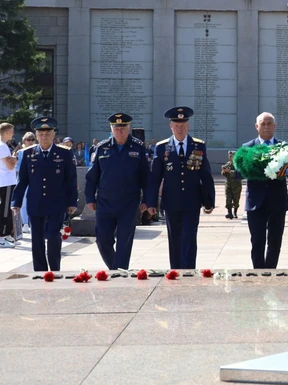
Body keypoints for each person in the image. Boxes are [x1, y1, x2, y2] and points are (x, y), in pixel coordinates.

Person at [146, 106, 216, 269]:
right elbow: (155, 177)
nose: (179, 128)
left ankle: (189, 271)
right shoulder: (162, 147)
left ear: (188, 126)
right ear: (171, 126)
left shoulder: (198, 146)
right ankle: (176, 270)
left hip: (192, 201)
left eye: (183, 125)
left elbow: (205, 175)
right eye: (176, 125)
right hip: (171, 202)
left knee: (190, 237)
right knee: (175, 238)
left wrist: (210, 201)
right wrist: (151, 202)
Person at [11, 117, 78, 271]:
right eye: (40, 134)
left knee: (54, 236)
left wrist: (72, 202)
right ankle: (40, 271)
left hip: (56, 202)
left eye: (47, 133)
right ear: (36, 135)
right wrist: (16, 202)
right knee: (37, 239)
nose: (44, 136)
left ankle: (55, 269)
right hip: (36, 202)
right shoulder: (28, 154)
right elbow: (23, 180)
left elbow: (71, 180)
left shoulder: (64, 153)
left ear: (53, 134)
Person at [85, 113, 151, 270]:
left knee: (124, 241)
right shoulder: (102, 148)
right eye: (116, 128)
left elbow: (146, 177)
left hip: (129, 202)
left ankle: (119, 272)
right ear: (111, 129)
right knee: (102, 240)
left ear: (129, 128)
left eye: (122, 128)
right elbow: (92, 176)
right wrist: (89, 198)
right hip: (105, 202)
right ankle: (117, 269)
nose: (119, 131)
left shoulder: (138, 147)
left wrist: (146, 200)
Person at [240, 112, 288, 269]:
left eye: (269, 124)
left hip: (278, 201)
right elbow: (238, 173)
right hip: (256, 202)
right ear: (256, 126)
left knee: (275, 241)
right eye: (263, 124)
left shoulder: (285, 148)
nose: (266, 127)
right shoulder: (247, 148)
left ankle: (271, 272)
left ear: (275, 126)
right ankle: (259, 272)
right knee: (257, 241)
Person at [0, 123, 20, 248]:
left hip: (8, 181)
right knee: (5, 209)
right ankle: (1, 237)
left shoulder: (3, 146)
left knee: (8, 208)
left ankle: (8, 234)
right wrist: (15, 159)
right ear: (7, 132)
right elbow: (10, 165)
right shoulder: (1, 146)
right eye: (12, 131)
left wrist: (13, 159)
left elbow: (10, 163)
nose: (13, 133)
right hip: (6, 181)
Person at [14, 132, 37, 234]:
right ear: (24, 141)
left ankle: (33, 223)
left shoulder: (38, 150)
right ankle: (25, 223)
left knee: (35, 201)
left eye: (32, 139)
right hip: (24, 179)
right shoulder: (21, 152)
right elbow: (17, 167)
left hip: (36, 180)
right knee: (23, 202)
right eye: (28, 140)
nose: (30, 141)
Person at [221, 151, 242, 219]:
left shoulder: (238, 164)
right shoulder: (228, 164)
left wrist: (230, 171)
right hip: (228, 185)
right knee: (228, 199)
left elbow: (239, 173)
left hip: (236, 185)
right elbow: (223, 174)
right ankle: (229, 213)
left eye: (231, 156)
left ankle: (235, 212)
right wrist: (224, 171)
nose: (229, 157)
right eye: (229, 156)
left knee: (236, 200)